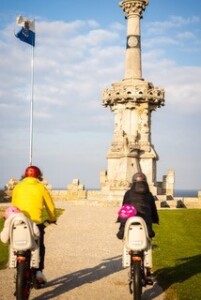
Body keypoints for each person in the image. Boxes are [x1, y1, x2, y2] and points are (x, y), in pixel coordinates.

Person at [11, 165, 57, 283]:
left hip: (18, 221)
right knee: (40, 246)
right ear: (38, 176)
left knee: (16, 244)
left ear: (24, 176)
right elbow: (50, 206)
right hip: (35, 223)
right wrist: (52, 218)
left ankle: (17, 268)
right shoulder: (41, 187)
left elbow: (13, 206)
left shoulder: (17, 187)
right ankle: (38, 271)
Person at [116, 172, 159, 283]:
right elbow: (153, 210)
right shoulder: (149, 195)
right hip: (146, 225)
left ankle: (126, 256)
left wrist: (121, 225)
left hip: (129, 223)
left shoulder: (128, 194)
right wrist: (155, 219)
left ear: (133, 181)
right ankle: (148, 271)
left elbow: (124, 209)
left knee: (125, 239)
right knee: (148, 243)